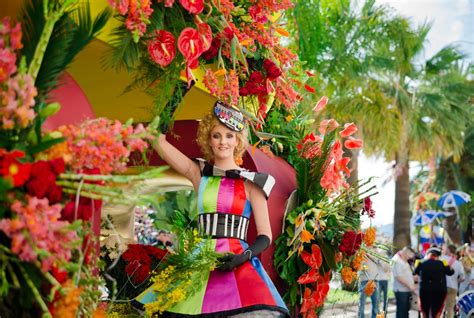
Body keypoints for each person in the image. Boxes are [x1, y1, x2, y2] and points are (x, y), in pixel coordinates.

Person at [133, 101, 289, 317]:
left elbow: (265, 235)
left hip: (237, 263)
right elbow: (156, 138)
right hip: (200, 262)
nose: (222, 141)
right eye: (216, 135)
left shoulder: (253, 183)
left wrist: (242, 257)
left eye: (229, 135)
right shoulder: (199, 174)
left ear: (237, 140)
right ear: (209, 139)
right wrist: (176, 97)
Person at [414, 246, 454, 318]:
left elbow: (415, 272)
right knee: (436, 311)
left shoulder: (420, 262)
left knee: (424, 311)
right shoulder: (442, 263)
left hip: (424, 290)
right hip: (439, 291)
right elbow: (451, 272)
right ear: (438, 256)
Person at [392, 246, 416, 318]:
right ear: (406, 252)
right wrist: (410, 286)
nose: (410, 258)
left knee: (405, 311)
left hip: (405, 290)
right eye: (410, 256)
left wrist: (413, 278)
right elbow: (398, 277)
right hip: (401, 290)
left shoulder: (403, 259)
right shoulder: (396, 260)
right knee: (401, 311)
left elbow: (405, 273)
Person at [442, 244, 465, 318]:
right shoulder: (458, 263)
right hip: (453, 287)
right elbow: (463, 278)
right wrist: (456, 280)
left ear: (448, 250)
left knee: (440, 306)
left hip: (442, 285)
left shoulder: (442, 258)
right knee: (450, 308)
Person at [358, 254, 379, 318]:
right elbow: (361, 266)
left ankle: (374, 316)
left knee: (375, 302)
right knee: (362, 302)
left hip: (374, 280)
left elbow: (378, 262)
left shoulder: (376, 252)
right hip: (364, 280)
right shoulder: (362, 252)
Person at [376, 251, 391, 315]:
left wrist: (381, 262)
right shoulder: (377, 258)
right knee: (378, 297)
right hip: (378, 280)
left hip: (385, 280)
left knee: (385, 298)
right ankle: (378, 312)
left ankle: (384, 312)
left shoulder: (386, 258)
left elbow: (386, 269)